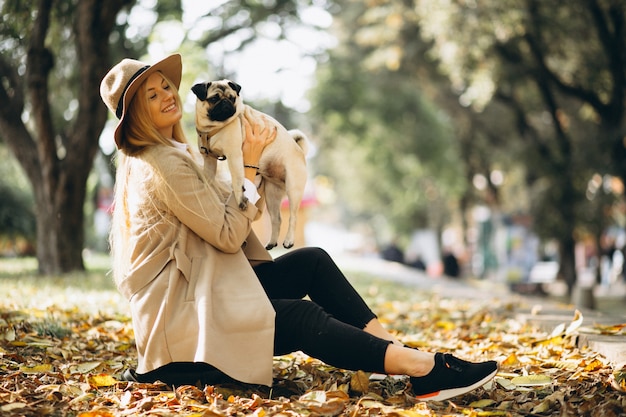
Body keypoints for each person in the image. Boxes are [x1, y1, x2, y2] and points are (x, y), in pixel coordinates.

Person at [99, 53, 498, 401]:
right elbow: (226, 234)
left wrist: (248, 163)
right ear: (136, 117)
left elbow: (227, 209)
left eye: (166, 86)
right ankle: (423, 369)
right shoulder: (163, 163)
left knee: (311, 263)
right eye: (152, 95)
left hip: (203, 295)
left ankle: (391, 351)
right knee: (302, 318)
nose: (168, 95)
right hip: (184, 335)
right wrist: (251, 167)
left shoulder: (173, 154)